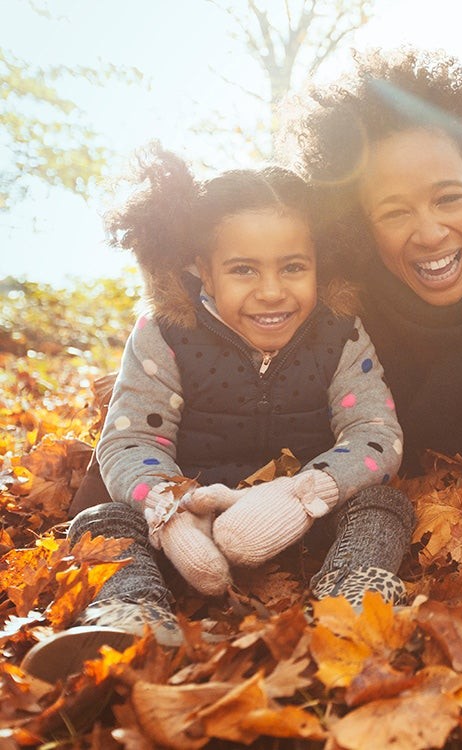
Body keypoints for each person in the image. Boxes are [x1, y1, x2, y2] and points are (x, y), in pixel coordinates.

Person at [22, 145, 415, 677]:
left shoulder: (339, 332)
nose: (272, 292)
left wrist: (301, 494)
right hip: (195, 515)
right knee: (101, 522)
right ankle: (133, 611)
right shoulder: (166, 334)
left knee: (383, 507)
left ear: (319, 262)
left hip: (306, 520)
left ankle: (352, 596)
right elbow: (131, 439)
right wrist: (170, 514)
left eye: (293, 267)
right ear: (203, 271)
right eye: (244, 270)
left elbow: (373, 432)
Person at [292, 48, 462, 501]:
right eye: (395, 212)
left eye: (448, 199)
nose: (431, 234)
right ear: (362, 224)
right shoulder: (340, 321)